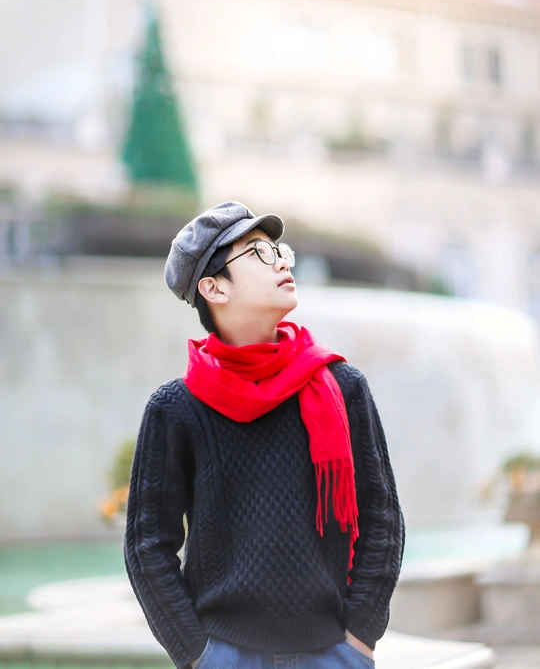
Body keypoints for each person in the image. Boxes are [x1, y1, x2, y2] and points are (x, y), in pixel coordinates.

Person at [124, 201, 405, 669]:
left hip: (333, 653)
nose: (280, 262)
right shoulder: (176, 408)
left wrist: (360, 639)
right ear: (213, 287)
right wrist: (195, 655)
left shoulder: (341, 387)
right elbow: (147, 544)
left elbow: (383, 518)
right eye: (257, 252)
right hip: (224, 655)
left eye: (280, 251)